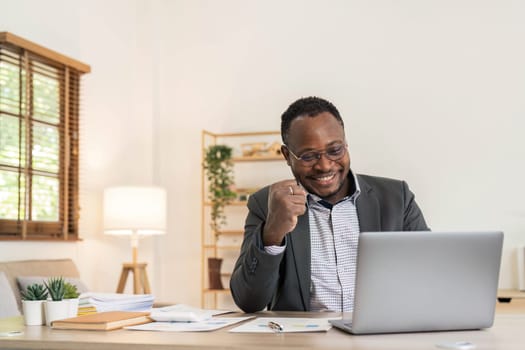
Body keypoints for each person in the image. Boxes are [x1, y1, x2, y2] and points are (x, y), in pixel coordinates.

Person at [230, 96, 429, 313]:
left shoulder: (396, 198)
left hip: (381, 339)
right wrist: (272, 233)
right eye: (308, 156)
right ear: (287, 156)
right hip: (305, 344)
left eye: (335, 150)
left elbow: (432, 274)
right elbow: (248, 301)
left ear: (345, 144)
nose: (324, 166)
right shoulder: (266, 204)